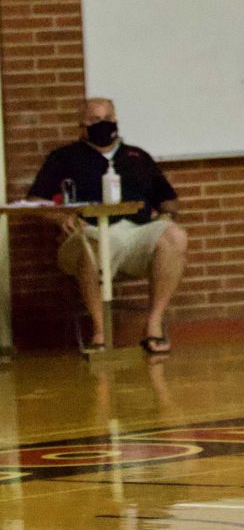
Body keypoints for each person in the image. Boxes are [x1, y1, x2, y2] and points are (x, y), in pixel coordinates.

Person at [26, 97, 188, 355]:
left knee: (175, 237)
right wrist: (60, 218)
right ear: (81, 124)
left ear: (116, 121)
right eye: (94, 120)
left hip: (135, 231)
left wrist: (167, 215)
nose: (102, 125)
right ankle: (100, 330)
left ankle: (153, 322)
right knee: (92, 245)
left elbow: (167, 197)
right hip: (87, 232)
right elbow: (35, 200)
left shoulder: (137, 156)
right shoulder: (63, 157)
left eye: (107, 119)